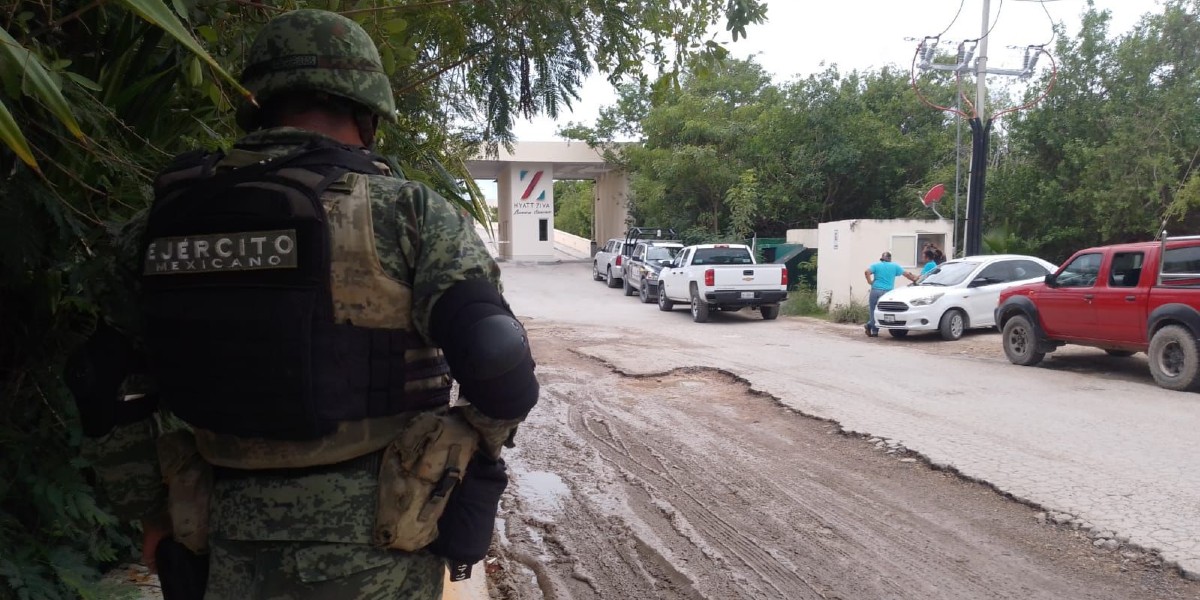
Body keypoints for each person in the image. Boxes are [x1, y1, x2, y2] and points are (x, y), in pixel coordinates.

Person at [65, 9, 538, 599]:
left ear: (256, 102)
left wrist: (153, 513)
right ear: (367, 112)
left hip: (215, 536)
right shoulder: (405, 213)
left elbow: (99, 378)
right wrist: (470, 449)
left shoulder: (162, 222)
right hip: (375, 546)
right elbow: (497, 357)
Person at [863, 251, 918, 337]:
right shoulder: (895, 266)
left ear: (882, 259)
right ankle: (872, 326)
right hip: (887, 293)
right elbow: (907, 274)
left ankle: (873, 330)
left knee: (873, 311)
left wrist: (870, 282)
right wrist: (915, 280)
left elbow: (867, 272)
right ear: (890, 259)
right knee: (886, 311)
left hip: (875, 290)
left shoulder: (876, 265)